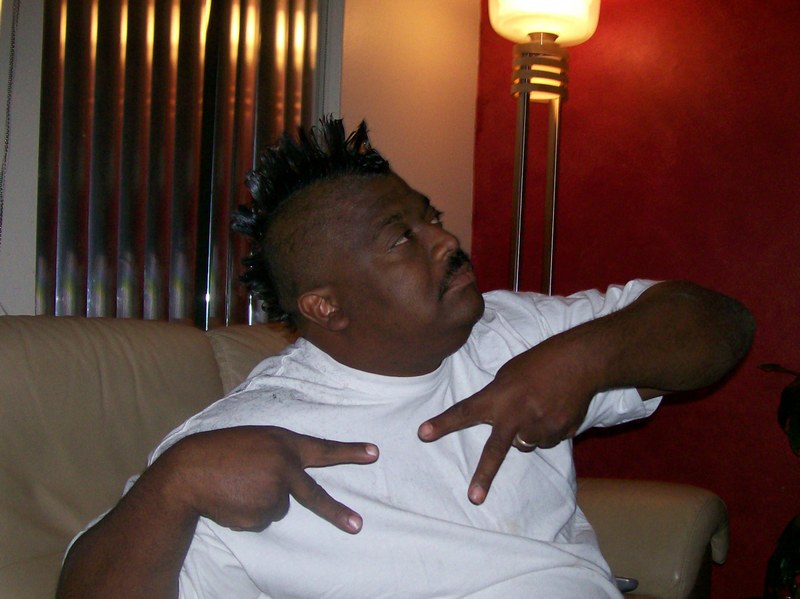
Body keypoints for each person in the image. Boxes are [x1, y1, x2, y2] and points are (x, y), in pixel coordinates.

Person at [56, 118, 755, 599]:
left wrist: (585, 358)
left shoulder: (507, 332)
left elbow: (723, 325)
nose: (445, 239)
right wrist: (172, 486)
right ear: (327, 306)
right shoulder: (238, 446)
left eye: (431, 217)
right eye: (401, 239)